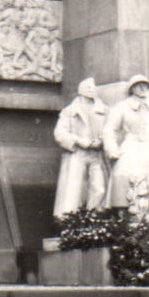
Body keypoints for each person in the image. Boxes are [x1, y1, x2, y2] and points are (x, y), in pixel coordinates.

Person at [102, 74, 149, 225]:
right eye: (138, 85)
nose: (142, 88)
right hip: (130, 146)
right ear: (132, 88)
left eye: (145, 85)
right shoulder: (122, 106)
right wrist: (112, 148)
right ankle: (122, 216)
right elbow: (109, 129)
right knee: (121, 175)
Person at [52, 77, 109, 216]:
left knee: (99, 189)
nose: (92, 90)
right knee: (74, 190)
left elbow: (110, 131)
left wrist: (101, 141)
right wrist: (78, 140)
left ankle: (93, 218)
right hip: (77, 153)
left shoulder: (104, 110)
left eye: (93, 87)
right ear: (80, 90)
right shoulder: (69, 111)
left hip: (96, 154)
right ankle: (71, 221)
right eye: (88, 87)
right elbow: (60, 133)